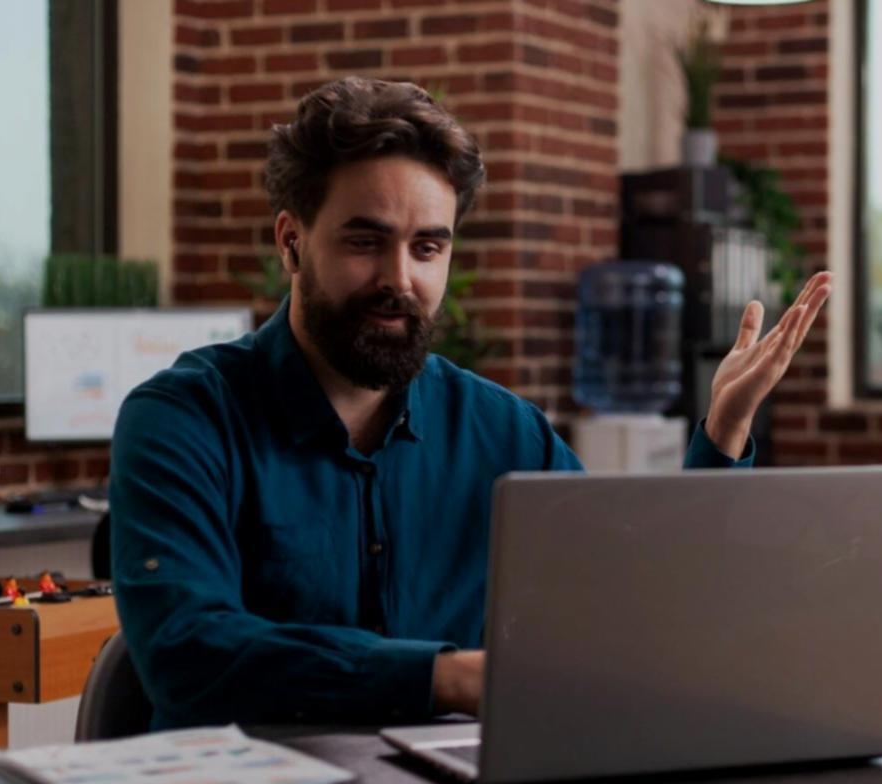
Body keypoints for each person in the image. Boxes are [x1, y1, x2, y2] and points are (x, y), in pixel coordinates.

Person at [109, 77, 832, 729]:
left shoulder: (504, 432)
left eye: (428, 248)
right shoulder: (182, 419)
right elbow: (187, 651)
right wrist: (447, 678)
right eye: (365, 241)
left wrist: (724, 432)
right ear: (292, 242)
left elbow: (637, 601)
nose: (400, 278)